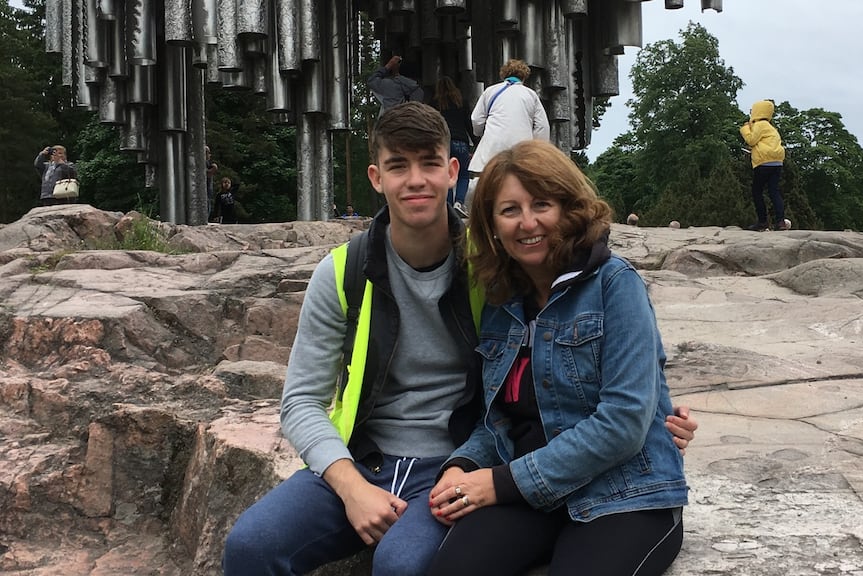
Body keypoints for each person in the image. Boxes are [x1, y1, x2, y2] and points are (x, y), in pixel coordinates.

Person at [221, 102, 698, 576]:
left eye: (429, 163)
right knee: (251, 545)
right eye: (397, 166)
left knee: (404, 566)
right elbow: (302, 400)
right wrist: (349, 485)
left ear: (452, 171)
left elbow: (605, 390)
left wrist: (656, 418)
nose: (415, 180)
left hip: (456, 462)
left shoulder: (494, 269)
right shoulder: (350, 272)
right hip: (372, 458)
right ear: (376, 177)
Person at [425, 140, 688, 576]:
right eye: (509, 210)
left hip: (624, 493)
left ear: (569, 209)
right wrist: (464, 465)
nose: (528, 222)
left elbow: (624, 420)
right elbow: (500, 419)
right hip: (529, 494)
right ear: (491, 224)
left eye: (542, 204)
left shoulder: (615, 285)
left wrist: (498, 482)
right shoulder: (502, 301)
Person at [468, 59, 549, 175]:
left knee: (488, 186)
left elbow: (476, 119)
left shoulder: (490, 91)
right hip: (521, 151)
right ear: (524, 77)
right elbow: (542, 127)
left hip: (492, 151)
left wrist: (479, 133)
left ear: (504, 75)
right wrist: (536, 150)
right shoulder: (531, 94)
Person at [740, 100, 789, 232]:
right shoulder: (772, 127)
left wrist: (745, 128)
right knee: (774, 191)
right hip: (777, 161)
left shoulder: (759, 125)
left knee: (757, 191)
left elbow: (751, 140)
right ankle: (780, 221)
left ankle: (762, 222)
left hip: (764, 162)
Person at [432, 75, 475, 213]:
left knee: (446, 174)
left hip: (443, 143)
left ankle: (448, 206)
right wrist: (476, 145)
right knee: (463, 174)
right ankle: (459, 202)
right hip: (461, 142)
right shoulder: (461, 102)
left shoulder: (435, 103)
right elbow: (469, 125)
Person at [206, 146, 219, 218]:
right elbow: (205, 174)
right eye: (208, 153)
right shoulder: (203, 162)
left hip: (208, 190)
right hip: (204, 191)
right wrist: (213, 169)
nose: (210, 155)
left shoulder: (207, 163)